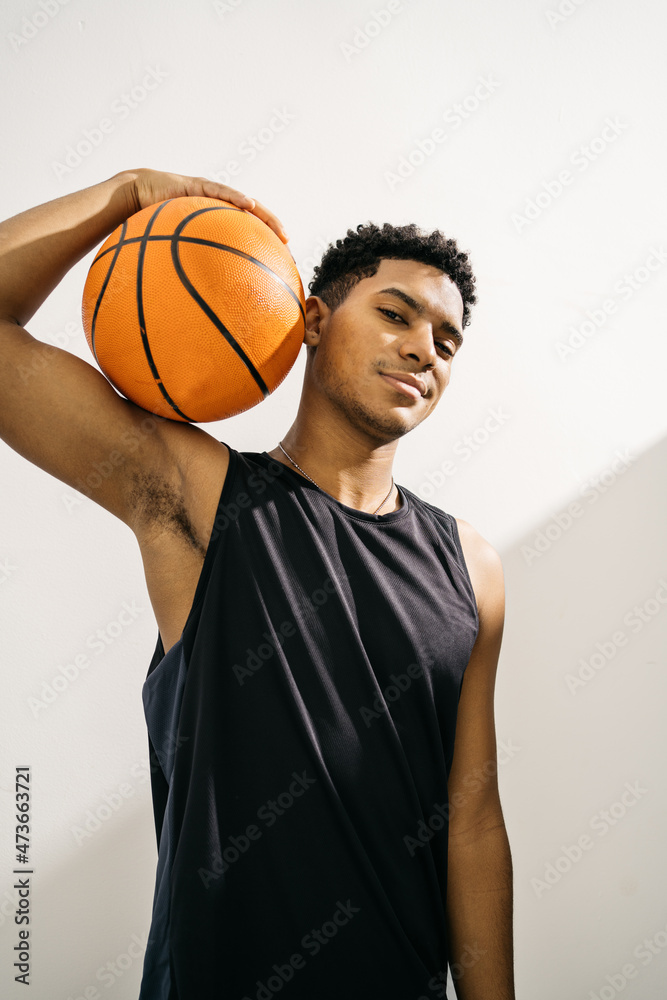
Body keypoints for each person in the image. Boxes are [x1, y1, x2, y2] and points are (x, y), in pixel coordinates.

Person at [0, 168, 515, 999]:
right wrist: (127, 194)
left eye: (446, 342)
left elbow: (473, 821)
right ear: (311, 320)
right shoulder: (201, 497)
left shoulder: (471, 565)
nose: (424, 348)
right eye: (394, 314)